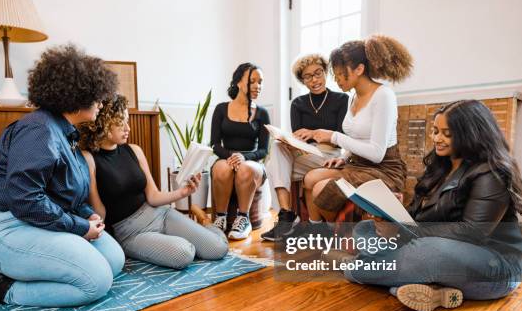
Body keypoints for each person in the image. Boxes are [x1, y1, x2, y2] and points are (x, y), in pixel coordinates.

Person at [0, 44, 125, 307]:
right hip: (5, 225)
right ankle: (0, 288)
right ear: (77, 95)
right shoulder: (39, 130)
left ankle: (26, 269)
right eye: (97, 95)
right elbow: (25, 200)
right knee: (97, 282)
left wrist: (85, 214)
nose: (101, 102)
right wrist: (80, 228)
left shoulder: (65, 132)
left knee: (114, 260)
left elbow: (61, 192)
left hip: (36, 220)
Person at [345, 100, 522, 311]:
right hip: (442, 253)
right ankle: (431, 287)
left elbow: (473, 232)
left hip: (493, 268)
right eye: (435, 131)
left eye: (447, 134)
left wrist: (407, 232)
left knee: (429, 252)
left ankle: (355, 269)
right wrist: (390, 213)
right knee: (364, 229)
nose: (437, 139)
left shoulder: (492, 172)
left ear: (471, 134)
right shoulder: (441, 166)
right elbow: (416, 217)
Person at [78, 94, 228, 270]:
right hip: (130, 233)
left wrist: (183, 192)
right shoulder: (88, 158)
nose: (128, 128)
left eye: (127, 121)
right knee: (184, 253)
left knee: (218, 249)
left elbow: (153, 196)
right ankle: (192, 235)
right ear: (104, 124)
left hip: (160, 214)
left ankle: (205, 224)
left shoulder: (134, 150)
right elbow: (99, 213)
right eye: (121, 123)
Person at [293, 35, 413, 237]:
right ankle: (318, 230)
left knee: (321, 188)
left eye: (341, 74)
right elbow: (355, 136)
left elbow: (376, 153)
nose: (337, 79)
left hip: (384, 168)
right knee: (310, 178)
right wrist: (343, 157)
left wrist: (333, 137)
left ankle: (335, 235)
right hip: (357, 164)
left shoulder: (383, 96)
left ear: (359, 69)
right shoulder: (353, 96)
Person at [261, 54, 348, 242]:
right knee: (277, 146)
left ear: (325, 73)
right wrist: (290, 143)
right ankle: (286, 214)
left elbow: (341, 138)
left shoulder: (341, 99)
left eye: (318, 73)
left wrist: (315, 132)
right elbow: (299, 139)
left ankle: (287, 221)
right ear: (302, 80)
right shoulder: (298, 104)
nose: (314, 79)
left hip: (330, 154)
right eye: (308, 77)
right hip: (306, 154)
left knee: (272, 168)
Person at [210, 62, 270, 240]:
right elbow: (214, 144)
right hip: (226, 158)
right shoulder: (221, 109)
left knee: (246, 169)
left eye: (260, 82)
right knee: (221, 168)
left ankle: (243, 220)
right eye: (252, 81)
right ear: (238, 82)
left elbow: (263, 150)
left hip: (251, 161)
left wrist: (243, 157)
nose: (257, 86)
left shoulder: (262, 113)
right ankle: (220, 219)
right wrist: (231, 157)